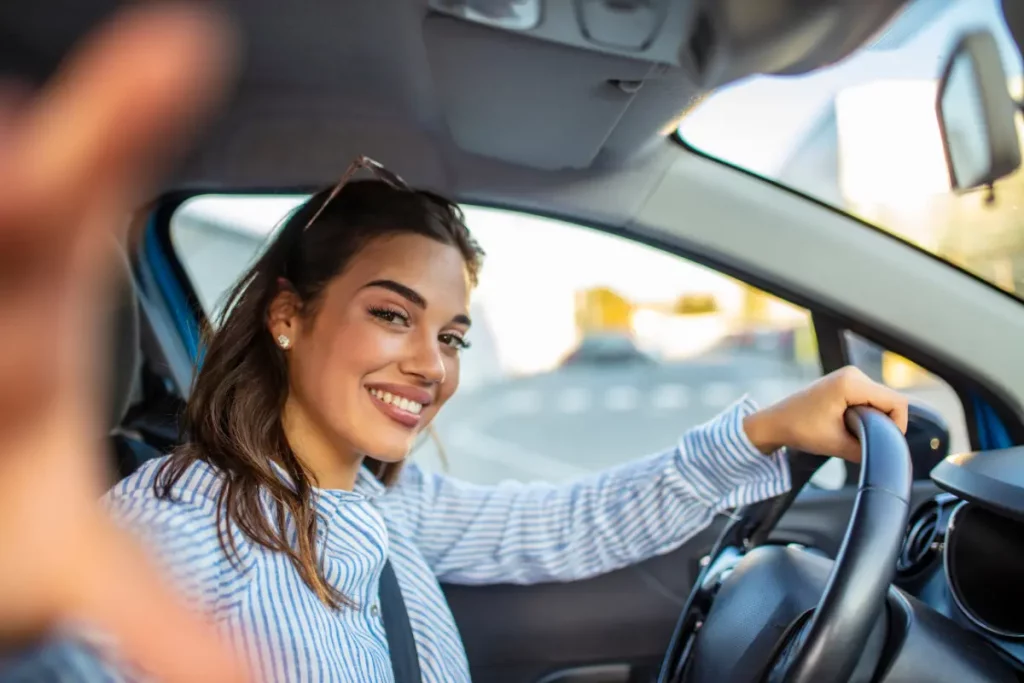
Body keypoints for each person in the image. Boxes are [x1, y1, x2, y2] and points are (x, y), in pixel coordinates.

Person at [83, 152, 909, 682]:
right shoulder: (173, 526)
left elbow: (572, 522)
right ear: (288, 315)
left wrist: (765, 428)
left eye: (450, 336)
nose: (432, 366)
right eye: (392, 315)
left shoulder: (386, 504)